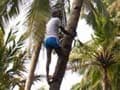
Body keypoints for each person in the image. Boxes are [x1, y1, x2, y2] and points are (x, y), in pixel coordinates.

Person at [44, 9, 75, 85]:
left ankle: (47, 78)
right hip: (53, 39)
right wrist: (71, 35)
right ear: (55, 14)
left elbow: (53, 31)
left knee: (48, 60)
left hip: (47, 40)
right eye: (58, 13)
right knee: (62, 56)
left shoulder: (49, 22)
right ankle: (55, 76)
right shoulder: (57, 19)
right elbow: (63, 30)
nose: (60, 15)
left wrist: (60, 37)